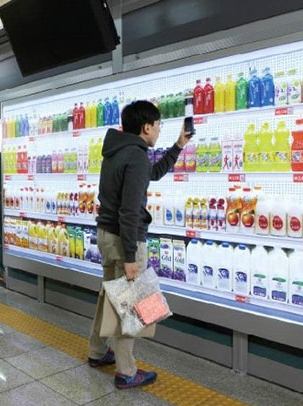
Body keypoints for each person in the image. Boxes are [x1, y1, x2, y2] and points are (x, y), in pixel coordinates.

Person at [88, 101, 192, 389]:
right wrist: (132, 255)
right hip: (125, 239)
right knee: (129, 305)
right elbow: (130, 210)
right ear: (147, 127)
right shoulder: (134, 155)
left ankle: (97, 351)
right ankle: (126, 371)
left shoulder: (118, 149)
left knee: (109, 295)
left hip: (107, 235)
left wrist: (177, 146)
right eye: (158, 125)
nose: (159, 130)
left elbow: (151, 174)